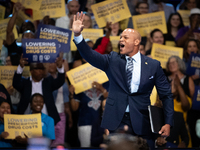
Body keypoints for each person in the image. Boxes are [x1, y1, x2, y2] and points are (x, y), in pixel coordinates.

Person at [72, 12, 174, 150]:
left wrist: (167, 123)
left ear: (136, 42)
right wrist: (78, 36)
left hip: (142, 121)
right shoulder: (112, 60)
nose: (121, 40)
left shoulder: (153, 65)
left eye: (125, 37)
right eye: (120, 37)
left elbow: (166, 95)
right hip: (116, 120)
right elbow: (90, 55)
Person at [12, 53, 65, 125]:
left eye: (42, 69)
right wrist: (21, 67)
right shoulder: (25, 83)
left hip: (46, 120)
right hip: (26, 120)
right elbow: (16, 83)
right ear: (31, 71)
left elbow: (60, 81)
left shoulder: (48, 82)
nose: (41, 71)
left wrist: (60, 68)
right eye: (38, 69)